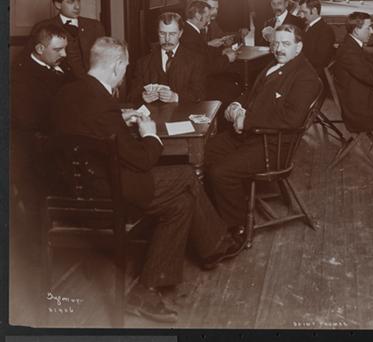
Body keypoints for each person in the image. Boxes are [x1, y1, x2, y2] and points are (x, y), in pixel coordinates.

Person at [52, 37, 243, 323]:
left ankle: (150, 287)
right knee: (186, 174)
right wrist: (150, 133)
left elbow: (91, 123)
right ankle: (215, 245)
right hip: (108, 193)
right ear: (117, 66)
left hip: (74, 188)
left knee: (180, 204)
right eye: (125, 68)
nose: (124, 73)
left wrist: (120, 118)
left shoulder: (69, 92)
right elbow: (142, 160)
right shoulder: (105, 105)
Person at [204, 24, 323, 237]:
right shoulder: (273, 64)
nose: (279, 49)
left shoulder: (306, 77)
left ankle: (237, 227)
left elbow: (291, 119)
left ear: (299, 47)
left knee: (220, 173)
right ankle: (213, 215)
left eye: (286, 44)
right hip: (251, 135)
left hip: (273, 146)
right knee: (203, 152)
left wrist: (246, 120)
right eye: (275, 43)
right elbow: (251, 94)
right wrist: (236, 106)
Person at [11, 22, 71, 235]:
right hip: (34, 155)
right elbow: (31, 121)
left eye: (65, 48)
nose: (64, 54)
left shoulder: (56, 63)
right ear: (39, 49)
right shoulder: (21, 76)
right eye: (58, 49)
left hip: (56, 144)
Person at [127, 12, 205, 105]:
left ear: (180, 33)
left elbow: (200, 94)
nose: (167, 39)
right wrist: (142, 96)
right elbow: (131, 96)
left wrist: (176, 97)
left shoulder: (195, 60)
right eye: (162, 33)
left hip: (183, 112)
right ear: (157, 32)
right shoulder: (143, 63)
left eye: (172, 34)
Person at [181, 0, 242, 111]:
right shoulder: (190, 36)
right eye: (207, 17)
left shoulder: (189, 31)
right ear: (198, 16)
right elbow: (206, 67)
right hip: (195, 85)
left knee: (232, 80)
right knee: (234, 88)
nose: (209, 21)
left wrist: (220, 52)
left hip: (197, 78)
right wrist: (227, 58)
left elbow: (202, 52)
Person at [41, 0, 105, 78]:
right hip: (59, 82)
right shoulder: (43, 27)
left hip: (91, 81)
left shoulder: (95, 26)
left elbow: (105, 58)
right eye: (71, 2)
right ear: (58, 4)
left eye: (78, 1)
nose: (77, 7)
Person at [298, 0, 336, 79]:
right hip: (305, 69)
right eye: (301, 12)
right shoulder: (307, 26)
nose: (301, 16)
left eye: (304, 12)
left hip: (314, 75)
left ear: (314, 10)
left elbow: (321, 60)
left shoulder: (325, 30)